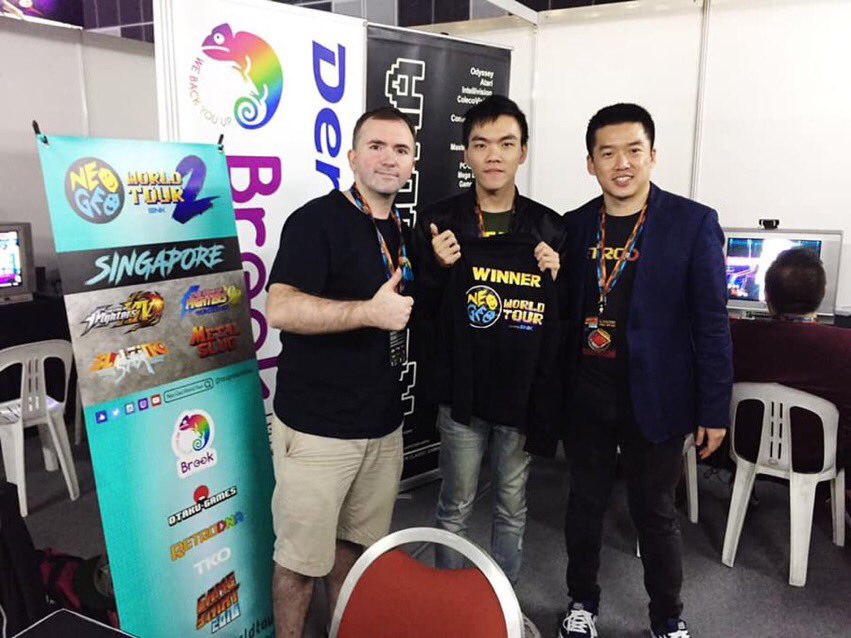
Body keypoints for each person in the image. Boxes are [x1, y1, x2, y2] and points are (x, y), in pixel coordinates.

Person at [558, 103, 732, 638]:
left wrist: (713, 408)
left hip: (657, 395)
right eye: (608, 153)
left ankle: (667, 618)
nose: (622, 164)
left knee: (654, 512)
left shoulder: (693, 223)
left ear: (653, 155)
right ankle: (581, 603)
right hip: (586, 394)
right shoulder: (573, 226)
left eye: (634, 150)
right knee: (584, 504)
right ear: (590, 163)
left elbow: (712, 324)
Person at [265, 106, 416, 637]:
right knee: (299, 564)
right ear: (352, 157)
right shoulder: (315, 221)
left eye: (400, 150)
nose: (388, 158)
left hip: (381, 427)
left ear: (412, 163)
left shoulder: (401, 229)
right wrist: (368, 313)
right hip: (318, 429)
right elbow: (280, 308)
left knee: (354, 552)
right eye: (376, 146)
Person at [412, 95, 564, 587]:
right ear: (466, 154)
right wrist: (436, 267)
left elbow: (561, 315)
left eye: (506, 143)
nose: (493, 155)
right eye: (481, 144)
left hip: (519, 393)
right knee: (454, 504)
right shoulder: (438, 222)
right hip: (462, 389)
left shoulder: (549, 227)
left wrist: (557, 275)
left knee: (511, 505)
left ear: (524, 151)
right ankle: (448, 603)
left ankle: (502, 605)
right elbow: (417, 309)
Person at [731, 247, 850, 476]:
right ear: (822, 293)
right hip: (820, 460)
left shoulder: (733, 335)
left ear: (766, 295)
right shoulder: (843, 346)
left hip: (746, 450)